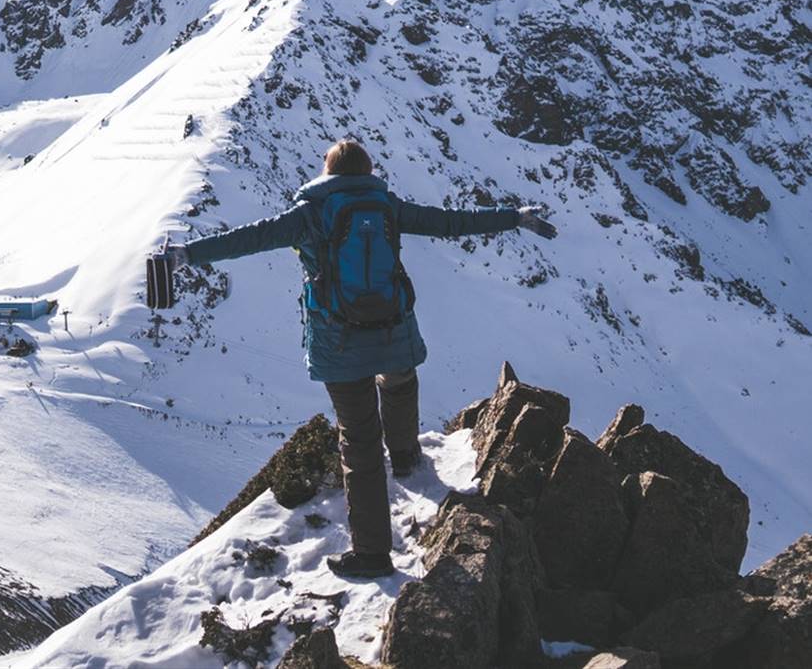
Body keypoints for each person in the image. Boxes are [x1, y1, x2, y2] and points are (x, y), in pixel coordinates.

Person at [162, 139, 556, 579]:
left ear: (327, 174)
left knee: (360, 443)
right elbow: (450, 222)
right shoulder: (387, 207)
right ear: (367, 172)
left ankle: (372, 554)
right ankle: (406, 455)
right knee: (400, 381)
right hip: (392, 328)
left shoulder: (310, 214)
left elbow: (248, 239)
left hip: (339, 340)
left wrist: (187, 255)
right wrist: (513, 218)